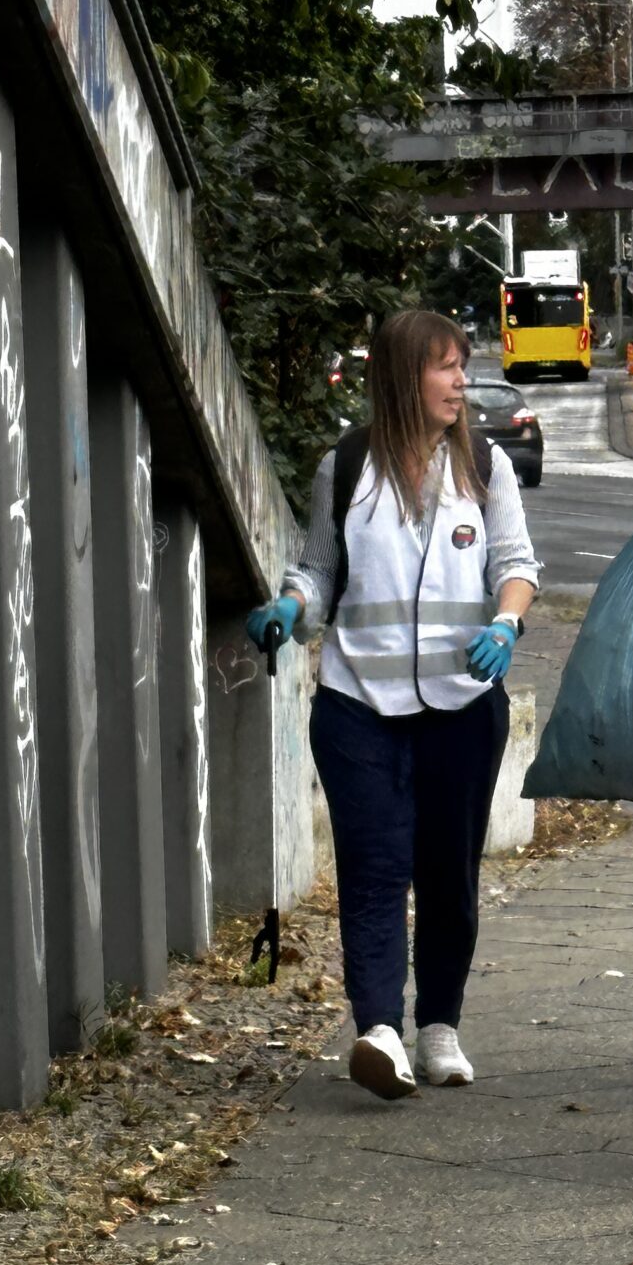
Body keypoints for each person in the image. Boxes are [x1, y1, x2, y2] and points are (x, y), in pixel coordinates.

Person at [245, 309, 539, 1101]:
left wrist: (506, 624)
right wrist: (288, 608)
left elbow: (516, 564)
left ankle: (439, 1026)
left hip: (462, 707)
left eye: (462, 365)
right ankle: (378, 1030)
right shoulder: (345, 466)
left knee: (448, 874)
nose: (461, 382)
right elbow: (318, 573)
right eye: (446, 367)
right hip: (358, 707)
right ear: (405, 376)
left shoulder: (484, 465)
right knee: (374, 868)